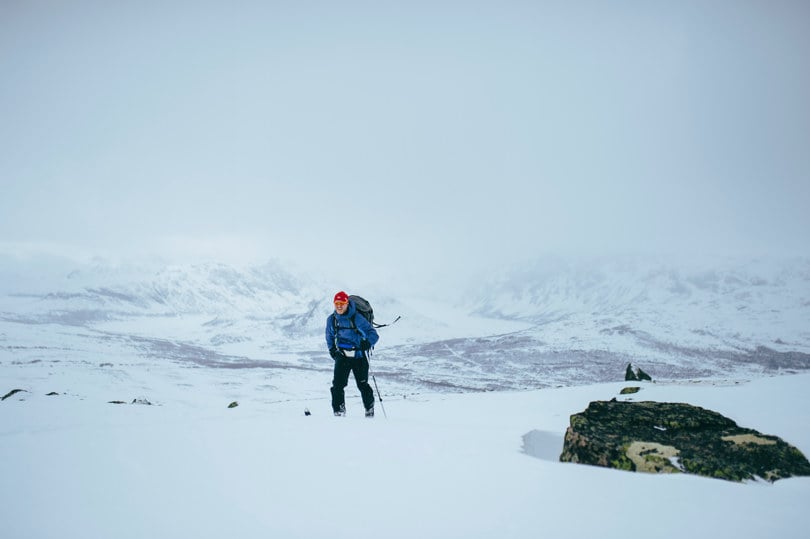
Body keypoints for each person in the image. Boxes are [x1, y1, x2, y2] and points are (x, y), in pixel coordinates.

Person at [326, 291, 379, 417]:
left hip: (359, 356)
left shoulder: (357, 318)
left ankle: (369, 408)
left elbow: (373, 334)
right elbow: (329, 336)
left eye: (342, 303)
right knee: (337, 385)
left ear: (347, 303)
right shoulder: (332, 320)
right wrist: (332, 350)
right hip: (342, 355)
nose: (339, 306)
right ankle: (338, 412)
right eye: (336, 303)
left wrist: (367, 343)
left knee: (362, 384)